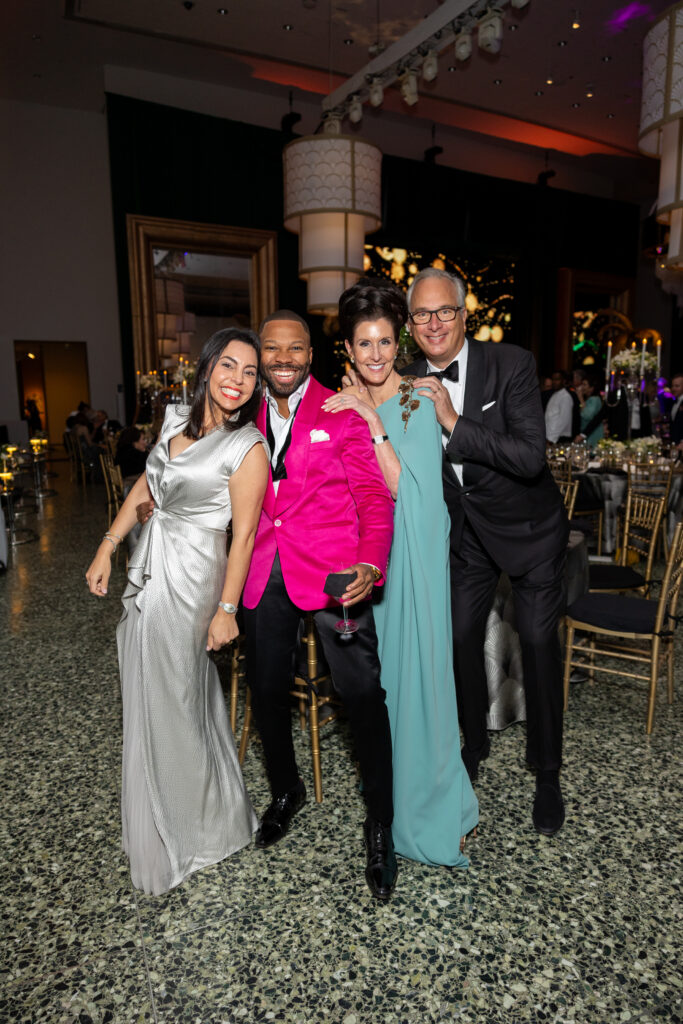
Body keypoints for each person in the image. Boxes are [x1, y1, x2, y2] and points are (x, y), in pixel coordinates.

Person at [85, 328, 269, 895]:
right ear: (208, 368)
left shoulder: (249, 448)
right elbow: (147, 484)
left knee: (179, 693)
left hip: (193, 579)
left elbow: (242, 538)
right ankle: (174, 817)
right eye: (229, 366)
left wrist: (227, 609)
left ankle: (199, 830)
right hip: (151, 563)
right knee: (149, 687)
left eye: (250, 372)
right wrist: (108, 545)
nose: (238, 380)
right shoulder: (172, 424)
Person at [402, 267, 568, 836]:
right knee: (456, 636)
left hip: (529, 528)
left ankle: (547, 771)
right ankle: (471, 744)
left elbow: (529, 458)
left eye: (443, 311)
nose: (434, 323)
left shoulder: (511, 364)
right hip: (467, 534)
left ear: (464, 314)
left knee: (541, 640)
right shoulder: (406, 379)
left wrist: (453, 420)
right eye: (421, 314)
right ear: (410, 324)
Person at [241, 310, 398, 901]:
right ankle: (286, 790)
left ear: (312, 354)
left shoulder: (339, 411)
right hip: (264, 570)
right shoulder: (241, 417)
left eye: (295, 349)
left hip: (337, 573)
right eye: (272, 349)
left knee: (361, 691)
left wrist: (371, 562)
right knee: (266, 688)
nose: (283, 359)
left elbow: (373, 498)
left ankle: (380, 821)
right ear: (261, 354)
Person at [322, 280, 478, 868]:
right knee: (386, 686)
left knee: (426, 680)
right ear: (349, 348)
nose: (377, 354)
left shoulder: (417, 396)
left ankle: (434, 807)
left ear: (399, 340)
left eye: (386, 341)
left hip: (418, 555)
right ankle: (390, 801)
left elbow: (404, 488)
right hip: (372, 560)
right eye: (365, 343)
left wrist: (371, 417)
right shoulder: (340, 401)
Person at [545, 370, 579, 444]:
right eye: (553, 379)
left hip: (558, 438)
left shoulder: (565, 397)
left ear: (563, 381)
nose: (554, 382)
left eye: (557, 379)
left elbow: (564, 420)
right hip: (550, 436)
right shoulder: (554, 394)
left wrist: (551, 439)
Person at [575, 371, 605, 447]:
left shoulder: (595, 399)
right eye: (582, 384)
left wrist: (580, 398)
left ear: (591, 388)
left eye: (585, 384)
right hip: (587, 433)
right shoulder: (588, 400)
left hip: (593, 434)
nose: (582, 387)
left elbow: (587, 415)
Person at [670, 372, 683, 448]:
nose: (673, 388)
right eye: (672, 386)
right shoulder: (675, 401)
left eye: (677, 386)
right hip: (675, 444)